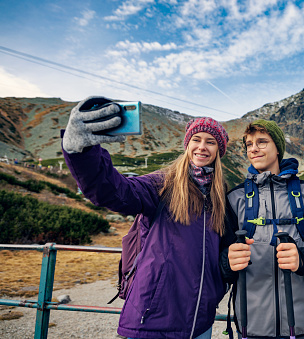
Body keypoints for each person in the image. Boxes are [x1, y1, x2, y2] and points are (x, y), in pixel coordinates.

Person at [62, 96, 231, 339]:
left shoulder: (220, 196)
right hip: (153, 318)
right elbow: (115, 192)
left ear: (219, 151)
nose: (202, 147)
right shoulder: (162, 184)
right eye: (196, 139)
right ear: (187, 144)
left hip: (199, 321)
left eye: (211, 142)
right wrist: (81, 151)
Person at [220, 119, 304, 339]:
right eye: (249, 144)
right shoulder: (235, 198)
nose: (254, 148)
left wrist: (303, 259)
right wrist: (228, 262)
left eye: (262, 142)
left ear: (278, 148)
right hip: (251, 327)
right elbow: (221, 260)